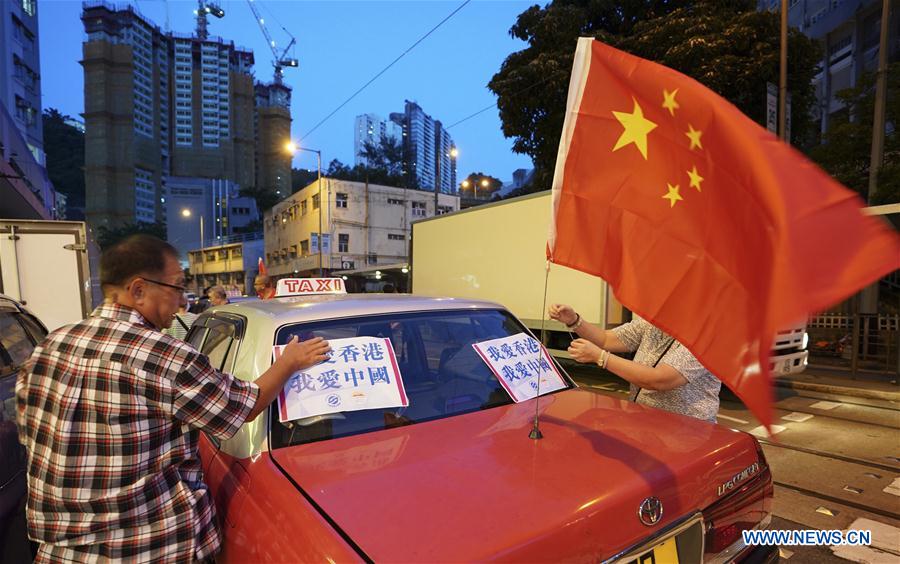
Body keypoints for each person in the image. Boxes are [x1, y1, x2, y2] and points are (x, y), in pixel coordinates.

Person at [16, 235, 331, 563]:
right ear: (138, 290)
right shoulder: (161, 353)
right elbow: (244, 407)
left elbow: (32, 436)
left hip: (60, 552)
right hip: (149, 547)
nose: (182, 299)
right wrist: (289, 362)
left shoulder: (51, 345)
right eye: (177, 286)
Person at [548, 303, 720, 422]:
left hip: (689, 432)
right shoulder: (651, 325)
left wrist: (602, 358)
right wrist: (574, 320)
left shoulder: (705, 336)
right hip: (648, 423)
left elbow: (660, 379)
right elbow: (607, 339)